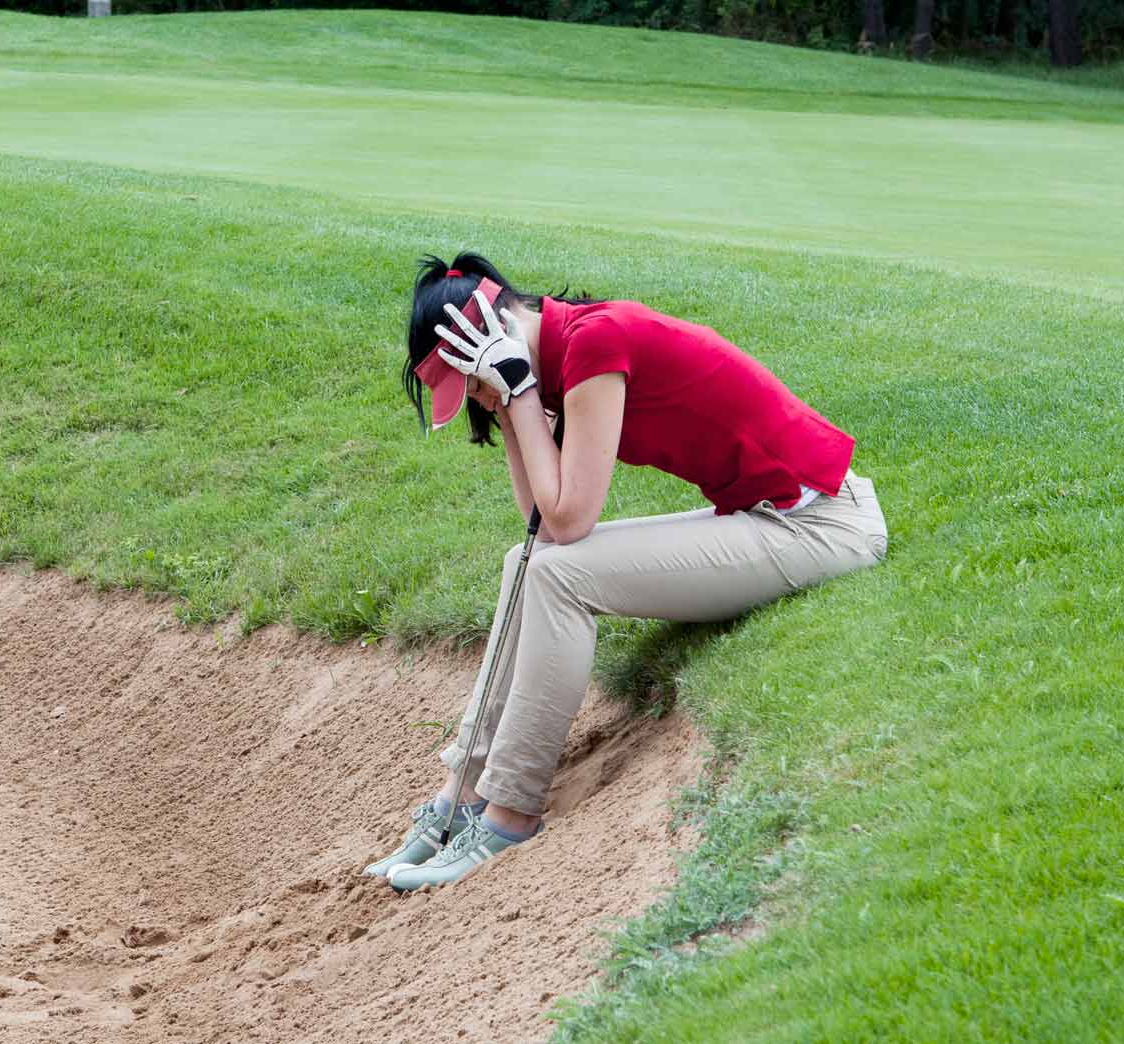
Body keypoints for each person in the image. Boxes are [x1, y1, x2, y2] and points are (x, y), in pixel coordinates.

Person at [369, 253, 887, 890]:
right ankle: (460, 791)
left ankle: (509, 812)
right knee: (525, 565)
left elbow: (569, 522)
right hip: (765, 514)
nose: (476, 395)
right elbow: (536, 522)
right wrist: (513, 404)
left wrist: (519, 392)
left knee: (561, 576)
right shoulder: (552, 360)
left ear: (494, 330)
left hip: (823, 524)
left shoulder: (594, 345)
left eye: (472, 383)